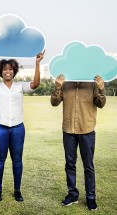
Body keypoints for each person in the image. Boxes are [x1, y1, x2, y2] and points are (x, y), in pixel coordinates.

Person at [0, 48, 44, 202]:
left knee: (17, 160)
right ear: (1, 72)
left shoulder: (20, 86)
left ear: (14, 71)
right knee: (0, 159)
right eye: (5, 69)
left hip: (17, 128)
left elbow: (35, 84)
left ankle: (17, 190)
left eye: (10, 69)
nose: (8, 71)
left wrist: (37, 63)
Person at [50, 74, 106, 211]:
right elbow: (54, 102)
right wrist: (57, 87)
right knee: (70, 164)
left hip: (87, 129)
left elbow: (101, 104)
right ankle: (72, 194)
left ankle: (90, 197)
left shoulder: (92, 83)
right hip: (68, 130)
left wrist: (101, 89)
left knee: (88, 166)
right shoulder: (65, 83)